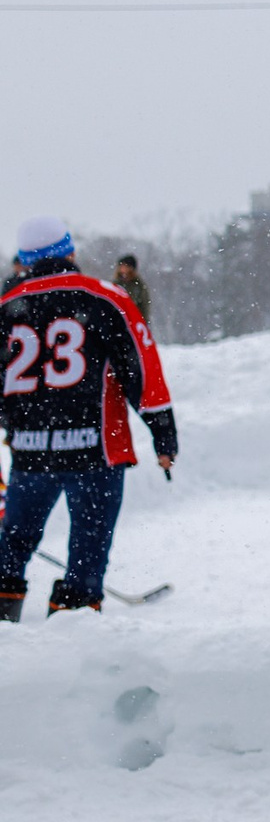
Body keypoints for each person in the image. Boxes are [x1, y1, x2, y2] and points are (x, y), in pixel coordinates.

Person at [0, 216, 178, 618]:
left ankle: (4, 617)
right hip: (94, 449)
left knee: (13, 542)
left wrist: (14, 424)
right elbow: (142, 372)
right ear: (70, 251)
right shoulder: (105, 297)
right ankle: (73, 625)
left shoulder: (7, 307)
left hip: (30, 452)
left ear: (25, 260)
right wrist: (163, 436)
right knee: (88, 543)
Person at [110, 255, 152, 326]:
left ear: (131, 268)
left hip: (133, 322)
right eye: (121, 265)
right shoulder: (115, 284)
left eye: (125, 266)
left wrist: (143, 322)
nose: (122, 268)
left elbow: (144, 306)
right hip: (116, 321)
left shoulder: (139, 286)